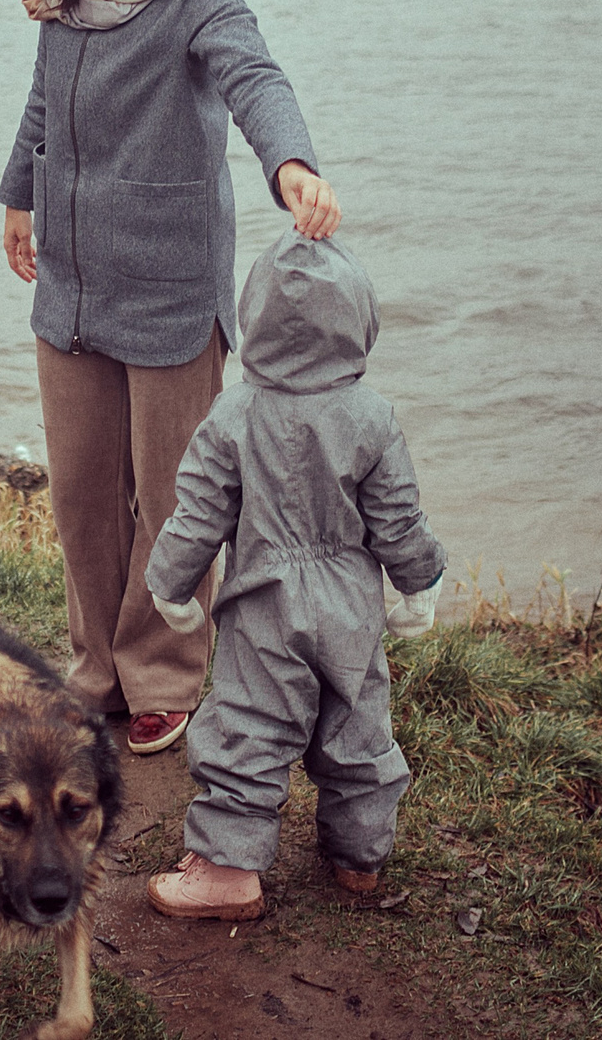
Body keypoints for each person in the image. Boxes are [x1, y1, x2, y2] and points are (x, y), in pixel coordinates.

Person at [0, 0, 340, 757]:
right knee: (80, 492)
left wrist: (291, 162)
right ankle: (95, 671)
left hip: (169, 280)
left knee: (174, 496)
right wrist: (17, 193)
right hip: (71, 280)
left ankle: (160, 673)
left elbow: (254, 74)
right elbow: (41, 101)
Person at [141, 232, 446, 920]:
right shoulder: (372, 415)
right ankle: (358, 856)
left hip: (264, 609)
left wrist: (171, 583)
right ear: (360, 318)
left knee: (248, 727)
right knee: (358, 728)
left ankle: (227, 871)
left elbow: (198, 513)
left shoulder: (234, 413)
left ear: (254, 315)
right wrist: (418, 585)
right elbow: (399, 518)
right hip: (350, 607)